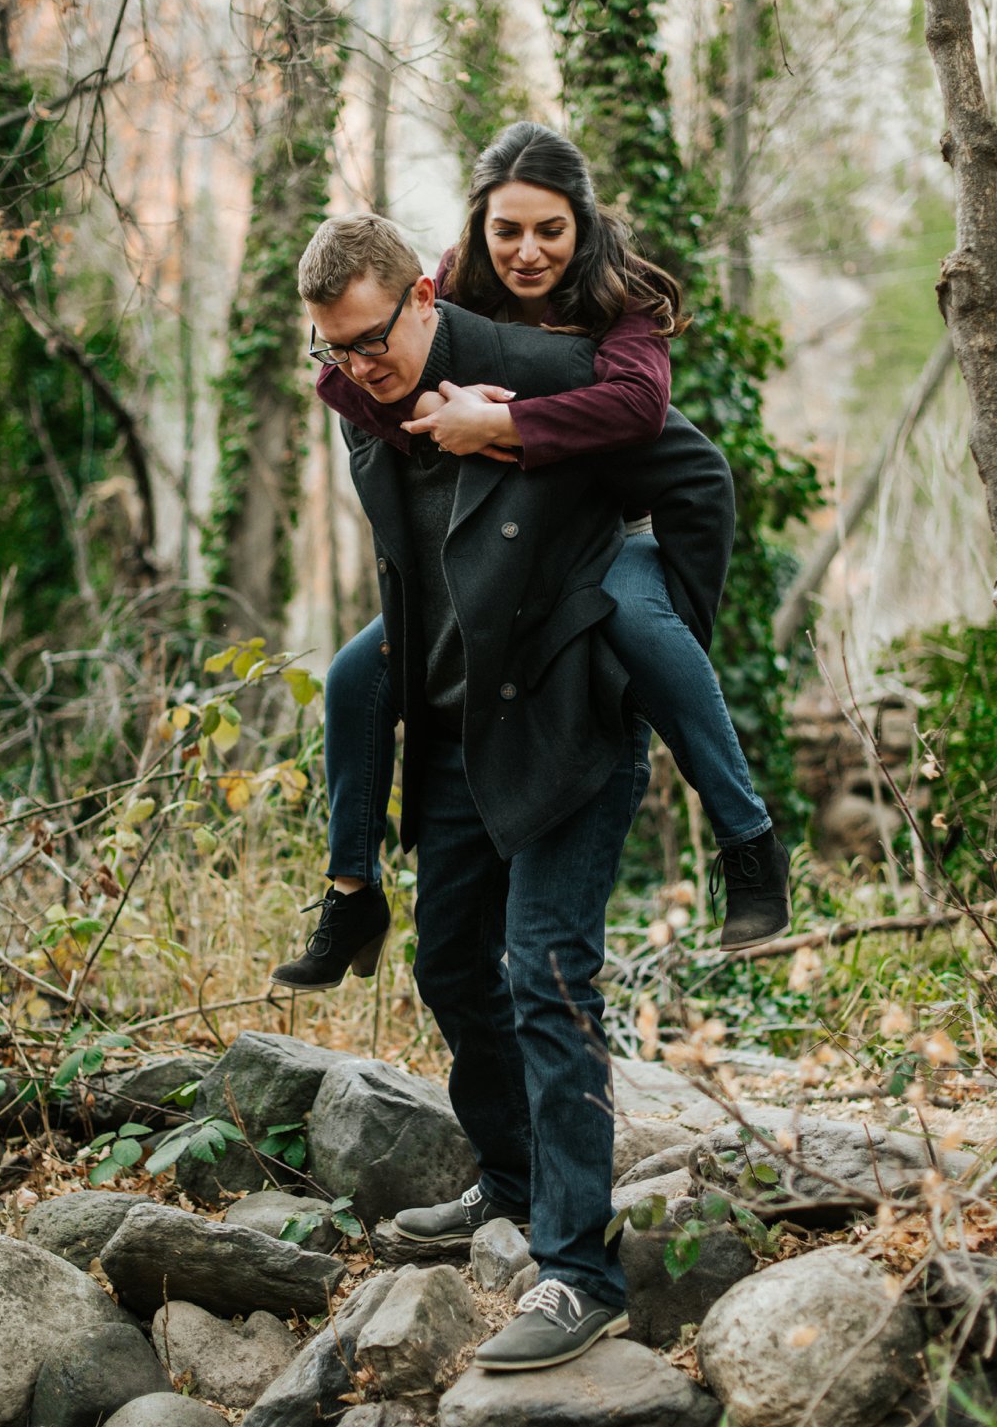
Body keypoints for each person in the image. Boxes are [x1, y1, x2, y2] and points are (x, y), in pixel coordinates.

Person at [293, 210, 735, 1368]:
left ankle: (578, 1268)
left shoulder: (540, 378)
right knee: (448, 962)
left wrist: (658, 627)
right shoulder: (361, 403)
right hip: (454, 728)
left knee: (547, 973)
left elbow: (690, 466)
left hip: (571, 717)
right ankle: (514, 1179)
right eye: (334, 349)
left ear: (427, 297)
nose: (358, 367)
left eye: (373, 340)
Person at [273, 124, 789, 996]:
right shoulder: (444, 293)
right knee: (356, 674)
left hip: (622, 534)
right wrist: (440, 406)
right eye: (505, 229)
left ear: (583, 224)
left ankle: (747, 840)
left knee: (631, 614)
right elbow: (344, 381)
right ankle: (351, 889)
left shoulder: (616, 305)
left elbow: (637, 410)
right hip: (511, 565)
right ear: (477, 228)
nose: (526, 251)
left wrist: (501, 426)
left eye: (549, 229)